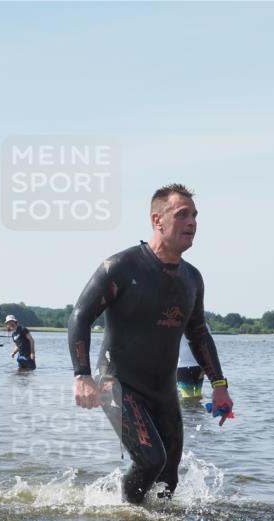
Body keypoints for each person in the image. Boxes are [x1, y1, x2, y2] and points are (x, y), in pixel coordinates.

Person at [68, 183, 233, 504]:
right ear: (157, 220)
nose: (192, 223)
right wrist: (82, 375)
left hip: (163, 390)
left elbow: (198, 333)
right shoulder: (121, 268)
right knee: (150, 462)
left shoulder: (192, 278)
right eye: (182, 215)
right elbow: (79, 317)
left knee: (169, 475)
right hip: (117, 384)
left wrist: (220, 385)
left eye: (195, 216)